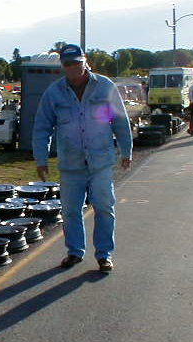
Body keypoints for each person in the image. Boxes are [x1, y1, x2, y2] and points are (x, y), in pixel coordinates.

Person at [32, 44, 132, 273]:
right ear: (63, 67)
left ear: (85, 62)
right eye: (67, 64)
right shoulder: (54, 93)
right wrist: (41, 159)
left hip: (100, 161)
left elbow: (119, 120)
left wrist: (126, 151)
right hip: (71, 164)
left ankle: (104, 255)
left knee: (104, 207)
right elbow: (42, 127)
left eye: (76, 63)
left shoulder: (104, 87)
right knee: (70, 210)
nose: (73, 68)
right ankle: (75, 251)